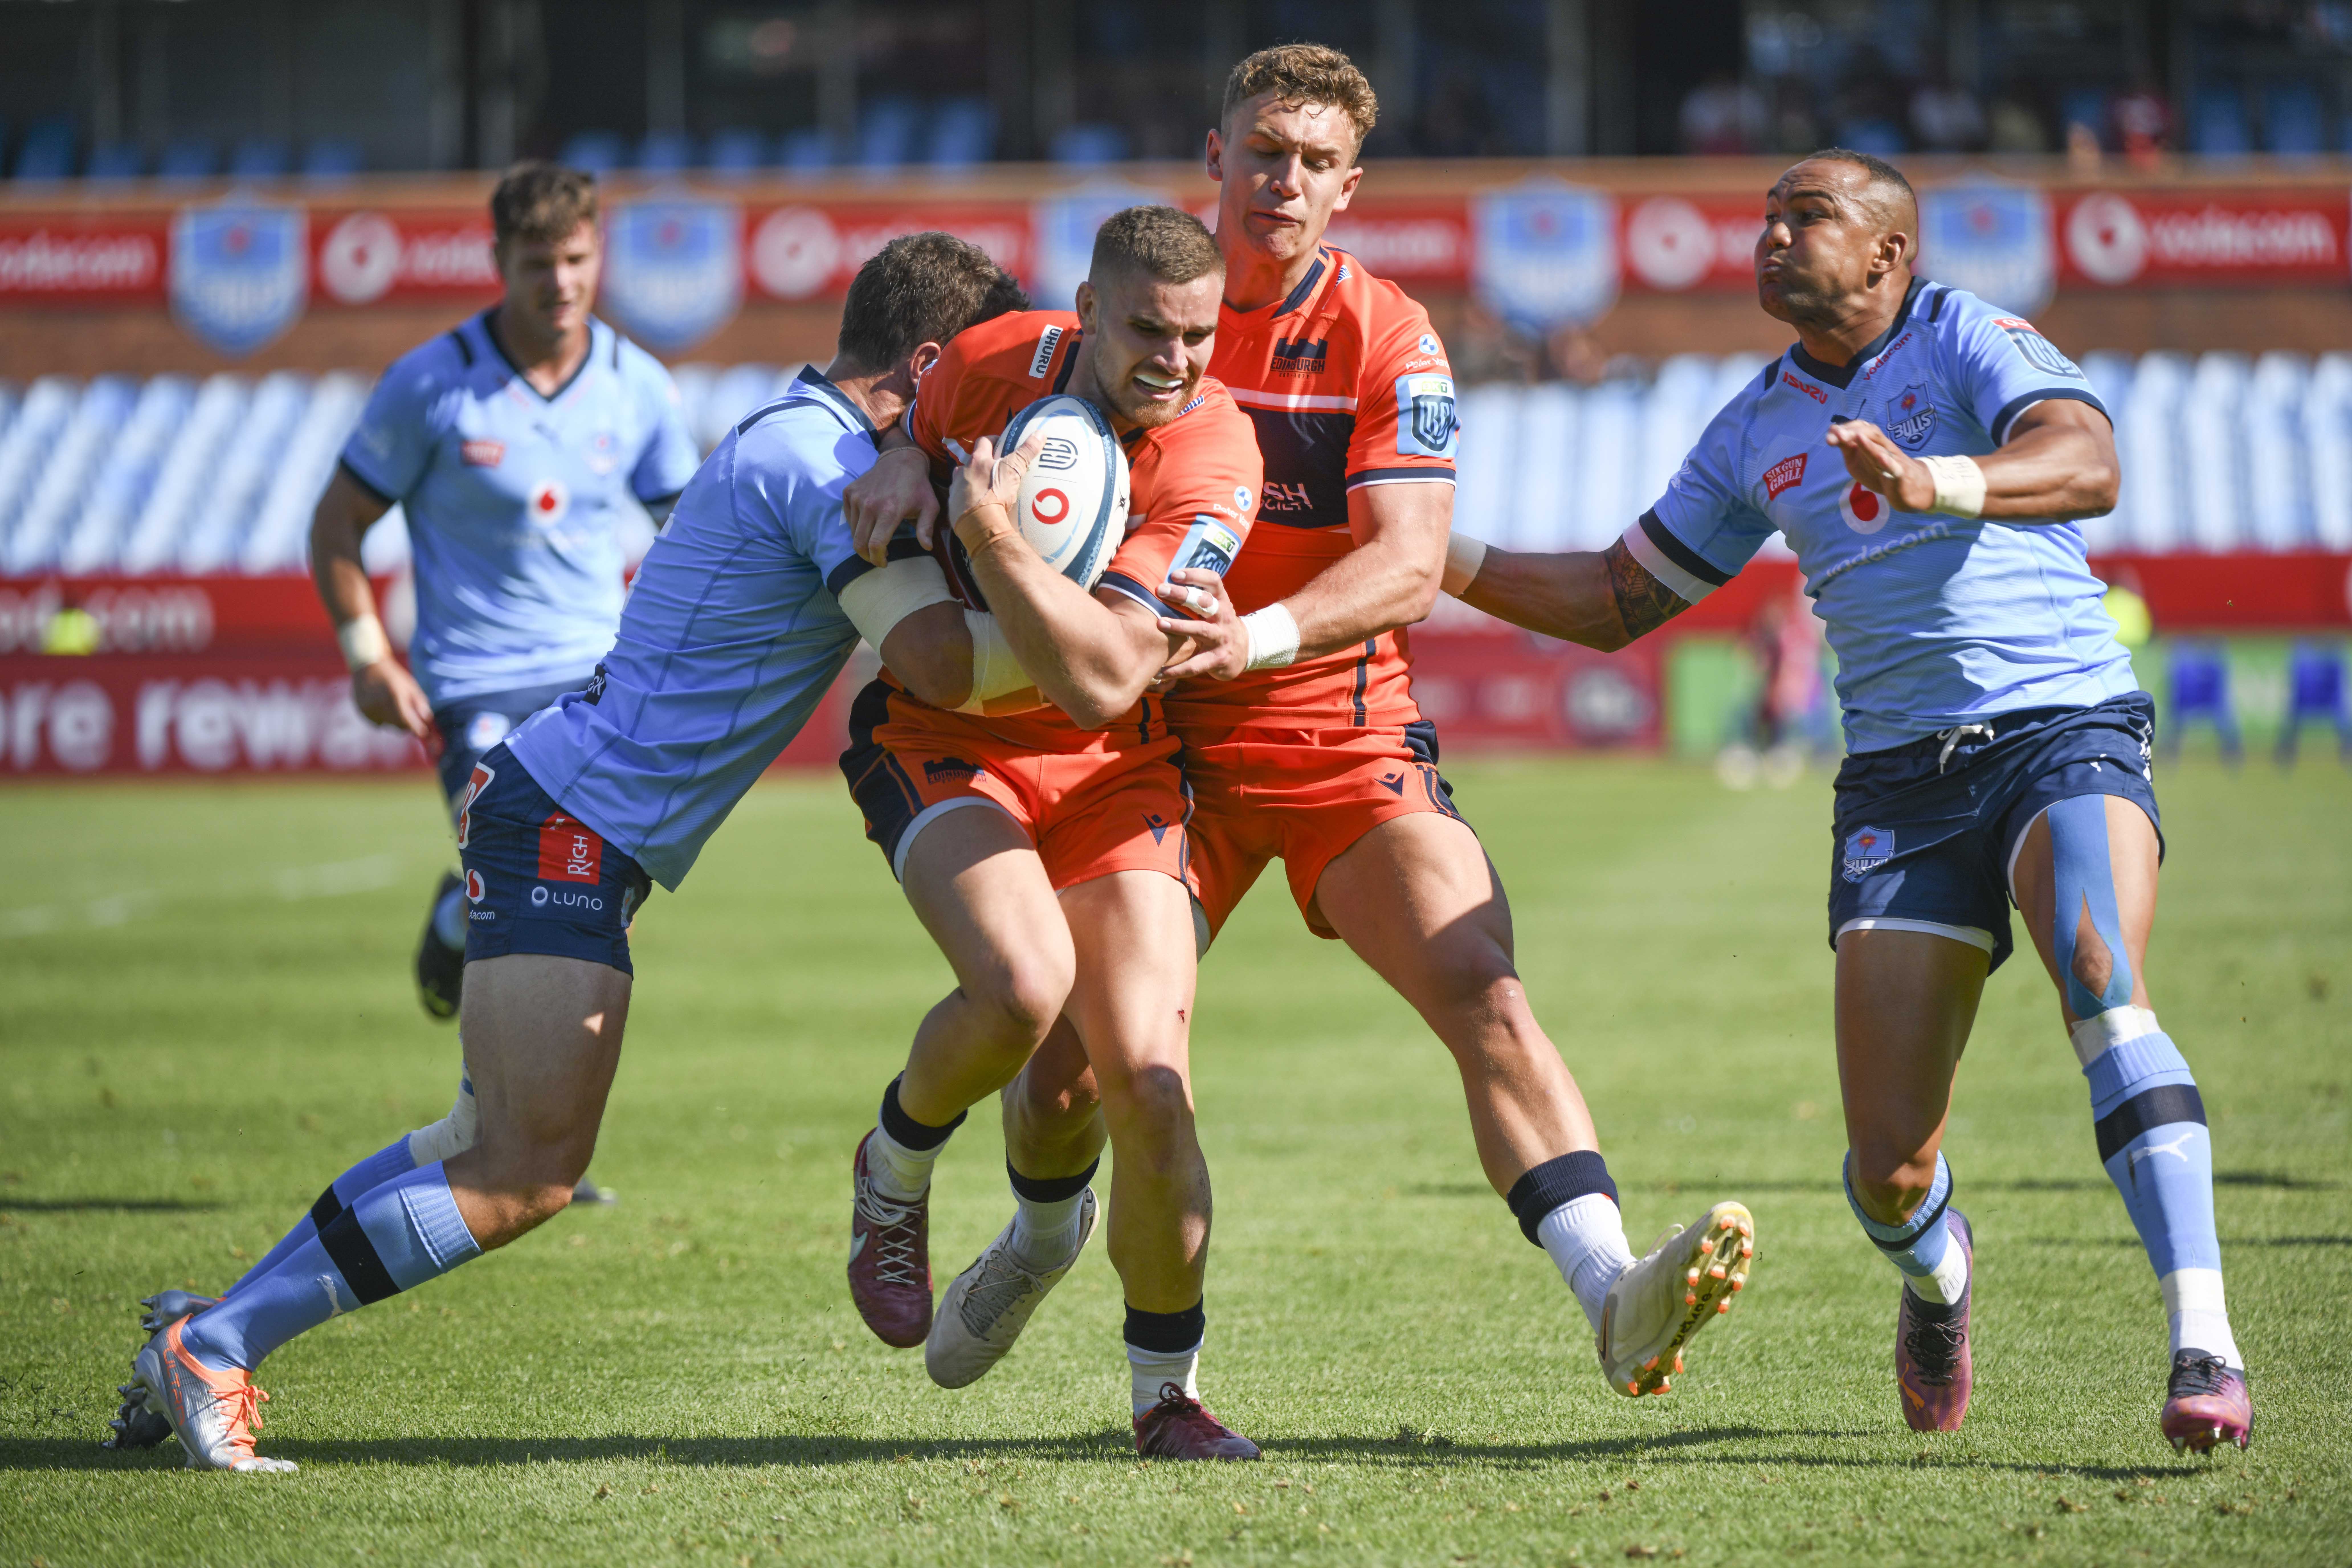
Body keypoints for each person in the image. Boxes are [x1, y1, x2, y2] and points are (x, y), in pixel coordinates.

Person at [843, 43, 1758, 1409]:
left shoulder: (1391, 337)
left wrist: (1258, 635)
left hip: (1328, 730)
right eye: (1265, 150)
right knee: (1073, 1085)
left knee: (1483, 987)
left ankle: (1614, 1288)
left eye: (1317, 161)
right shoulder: (1132, 304)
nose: (1286, 181)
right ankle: (1041, 1235)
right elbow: (951, 415)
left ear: (1351, 185)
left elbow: (1411, 560)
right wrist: (911, 449)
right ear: (1217, 157)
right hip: (1145, 745)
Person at [109, 232, 1027, 1473]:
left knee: (468, 1138)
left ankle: (204, 1329)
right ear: (927, 363)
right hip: (569, 825)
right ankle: (218, 1342)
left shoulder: (806, 439)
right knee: (527, 1170)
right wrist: (1081, 609)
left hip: (560, 807)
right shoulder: (826, 467)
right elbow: (935, 668)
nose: (993, 399)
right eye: (979, 373)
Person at [1445, 148, 2250, 1453]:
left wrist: (1943, 479)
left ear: (1888, 252)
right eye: (1766, 218)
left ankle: (2202, 1342)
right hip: (1898, 779)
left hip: (2063, 727)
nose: (1772, 237)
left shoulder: (1967, 336)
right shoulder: (1756, 424)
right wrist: (1431, 551)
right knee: (1887, 1170)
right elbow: (1613, 597)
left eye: (1806, 217)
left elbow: (2088, 457)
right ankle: (1942, 1280)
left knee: (2101, 971)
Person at [835, 205, 1269, 1459]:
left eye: (1198, 334)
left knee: (1145, 1079)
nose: (1176, 359)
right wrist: (913, 461)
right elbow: (902, 433)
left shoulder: (1213, 453)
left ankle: (1165, 1395)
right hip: (942, 740)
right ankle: (896, 1166)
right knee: (1023, 988)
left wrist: (985, 531)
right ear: (1085, 306)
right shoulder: (994, 356)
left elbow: (1098, 683)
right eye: (1147, 328)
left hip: (1110, 762)